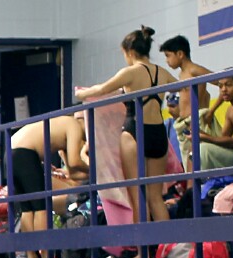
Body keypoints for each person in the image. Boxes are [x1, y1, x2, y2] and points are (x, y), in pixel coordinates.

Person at [75, 26, 177, 225]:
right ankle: (168, 247)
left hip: (135, 133)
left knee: (138, 197)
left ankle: (142, 254)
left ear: (130, 52)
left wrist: (81, 95)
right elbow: (184, 86)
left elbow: (101, 89)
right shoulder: (162, 72)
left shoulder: (129, 73)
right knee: (156, 198)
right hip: (158, 134)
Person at [7, 113, 89, 258]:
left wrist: (90, 173)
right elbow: (75, 161)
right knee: (41, 209)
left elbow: (73, 172)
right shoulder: (74, 125)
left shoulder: (62, 127)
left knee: (27, 210)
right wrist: (96, 168)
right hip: (25, 153)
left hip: (11, 151)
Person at [160, 35, 216, 130]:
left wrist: (212, 110)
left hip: (197, 123)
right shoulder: (181, 74)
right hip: (186, 123)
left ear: (180, 54)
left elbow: (222, 81)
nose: (166, 61)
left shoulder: (194, 70)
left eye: (168, 56)